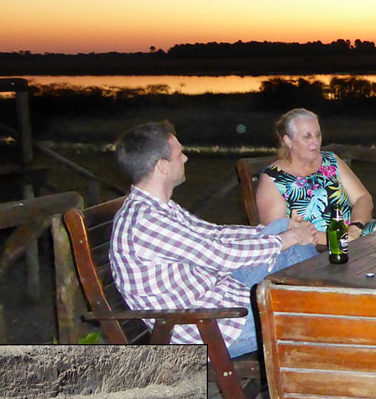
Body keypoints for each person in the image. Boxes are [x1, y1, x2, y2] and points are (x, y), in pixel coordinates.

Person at [110, 120, 322, 357]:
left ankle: (322, 301)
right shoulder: (146, 221)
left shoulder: (159, 208)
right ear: (162, 166)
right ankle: (324, 319)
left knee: (282, 228)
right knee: (307, 307)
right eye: (179, 154)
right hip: (211, 326)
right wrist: (289, 238)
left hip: (223, 295)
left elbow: (214, 234)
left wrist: (283, 231)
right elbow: (220, 255)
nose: (186, 159)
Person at [255, 108, 376, 234]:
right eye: (307, 137)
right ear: (288, 141)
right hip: (314, 248)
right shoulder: (273, 179)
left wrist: (355, 226)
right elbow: (278, 234)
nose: (315, 142)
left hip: (355, 233)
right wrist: (338, 239)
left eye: (317, 135)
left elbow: (363, 198)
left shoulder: (330, 161)